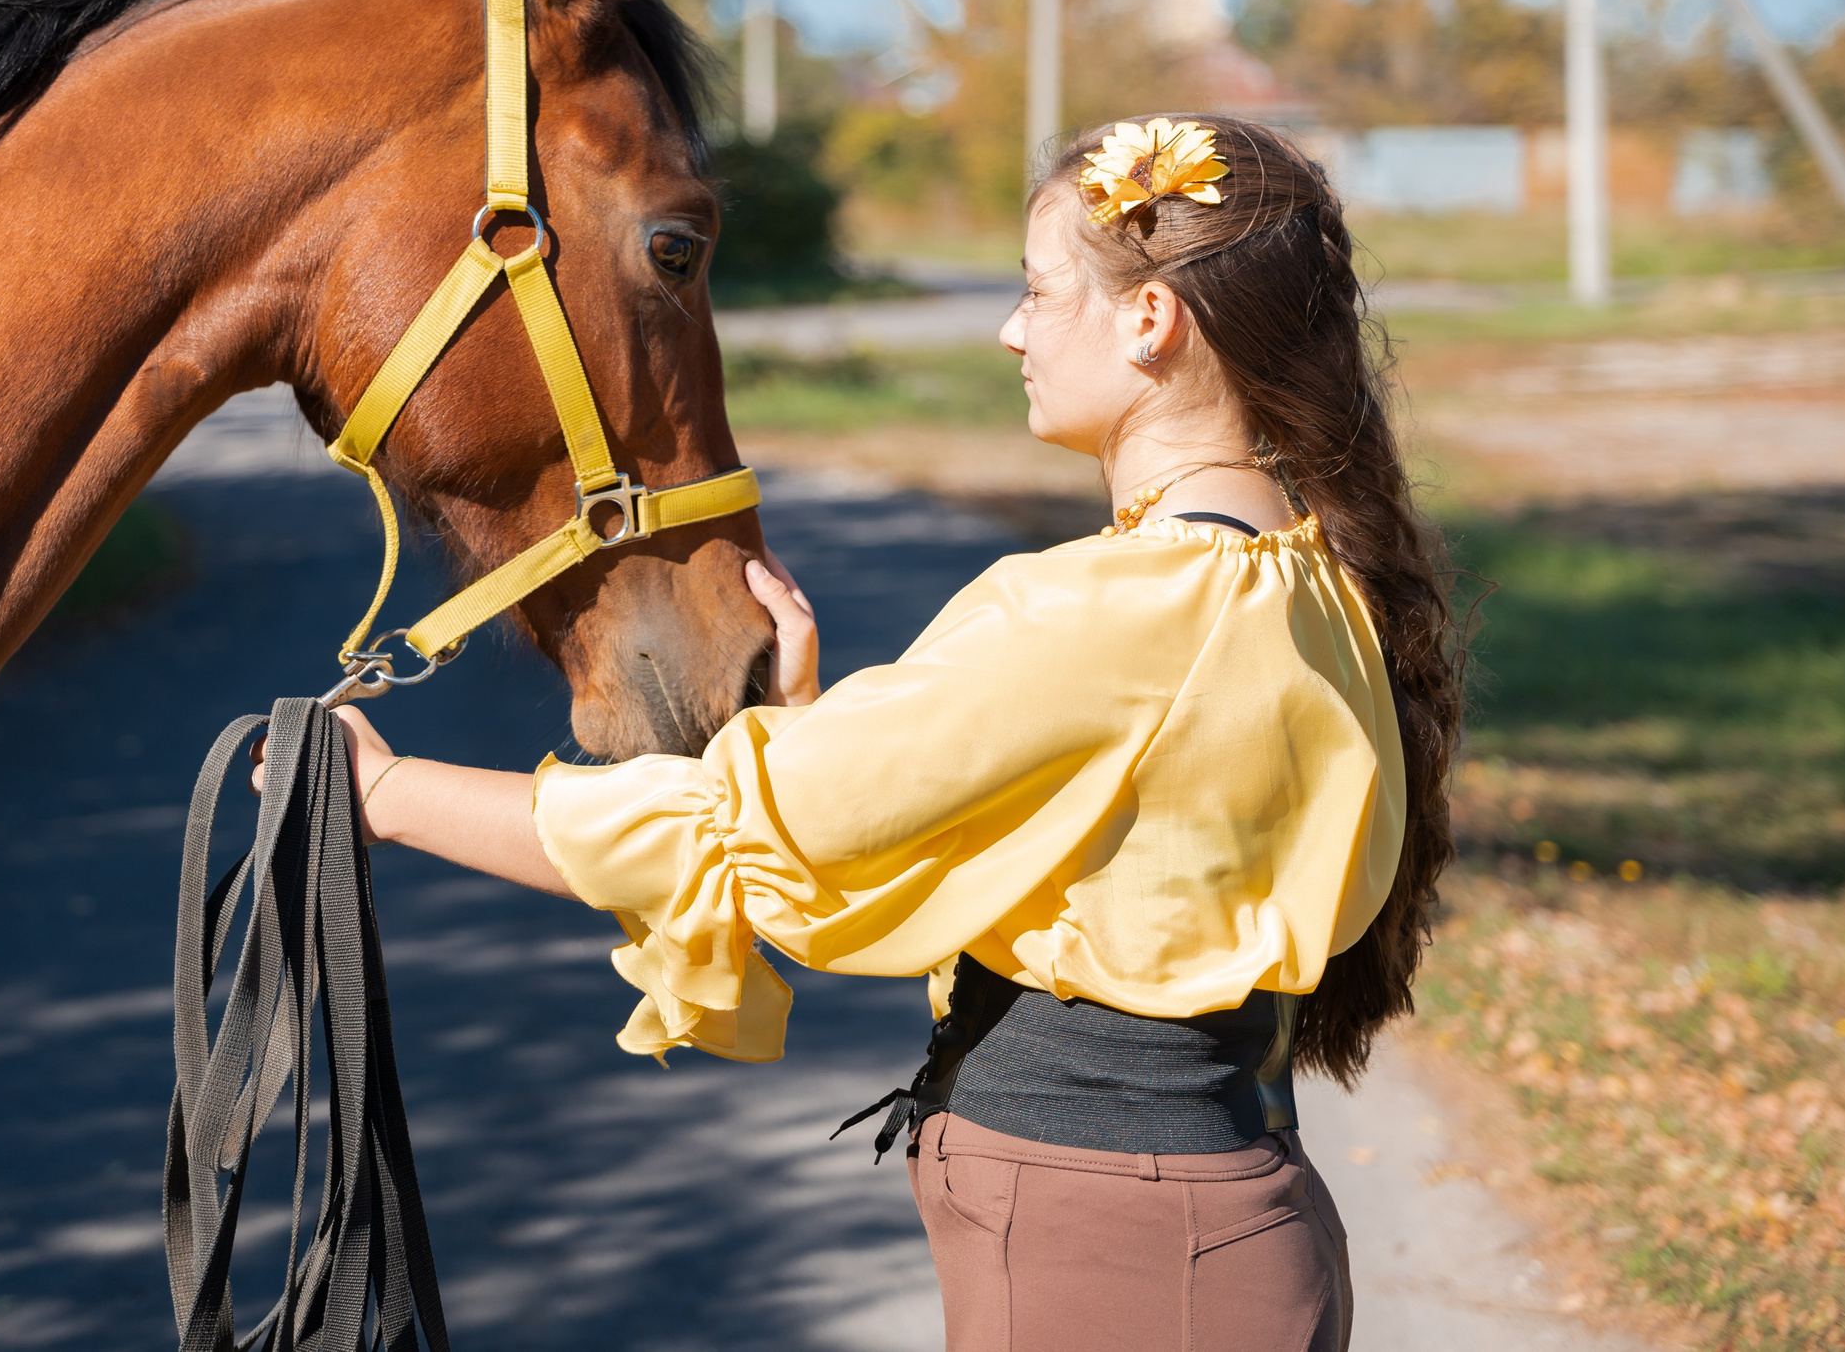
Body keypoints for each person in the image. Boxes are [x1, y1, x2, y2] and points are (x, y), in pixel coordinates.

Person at [325, 116, 1463, 1351]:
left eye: (1036, 293)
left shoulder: (1114, 611)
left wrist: (384, 794)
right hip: (1184, 1231)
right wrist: (810, 727)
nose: (1011, 330)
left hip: (1120, 1256)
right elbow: (1054, 842)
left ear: (1150, 322)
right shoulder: (1297, 582)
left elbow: (729, 837)